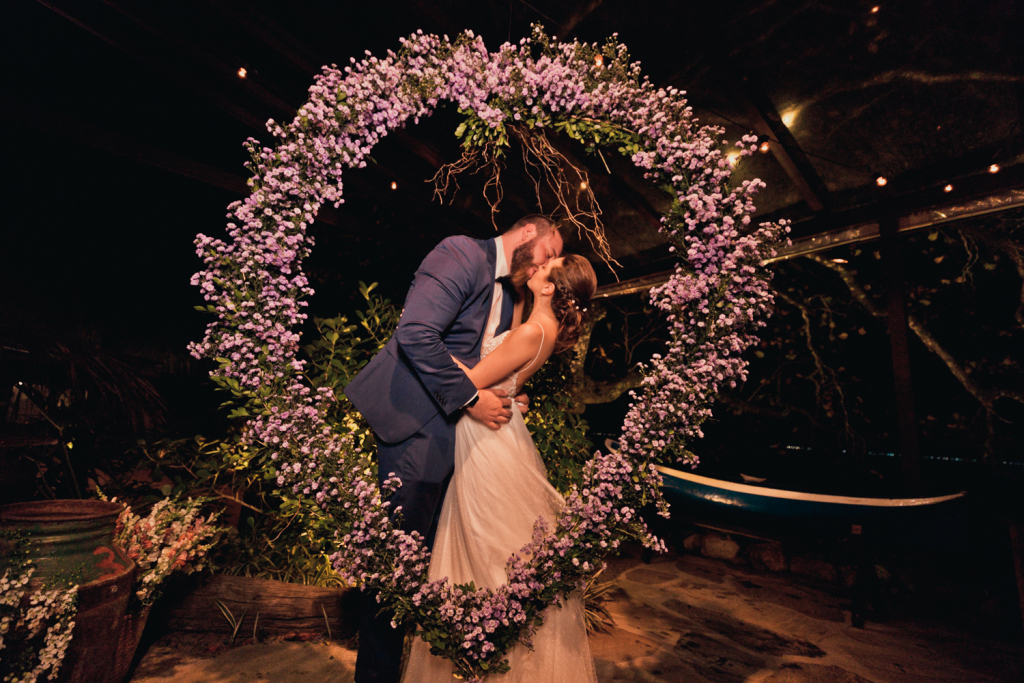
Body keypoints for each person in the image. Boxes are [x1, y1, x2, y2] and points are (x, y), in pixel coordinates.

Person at [345, 214, 564, 683]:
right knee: (397, 567)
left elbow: (485, 357)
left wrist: (509, 390)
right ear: (529, 234)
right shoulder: (461, 253)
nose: (550, 265)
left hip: (469, 445)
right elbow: (417, 334)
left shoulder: (516, 292)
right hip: (418, 430)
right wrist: (471, 398)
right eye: (550, 253)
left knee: (439, 567)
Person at [402, 254, 599, 683]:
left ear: (549, 288)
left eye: (551, 264)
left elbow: (471, 382)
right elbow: (506, 380)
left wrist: (425, 340)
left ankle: (488, 665)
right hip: (496, 435)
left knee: (488, 556)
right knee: (493, 552)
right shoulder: (540, 328)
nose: (541, 263)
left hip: (488, 446)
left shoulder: (532, 330)